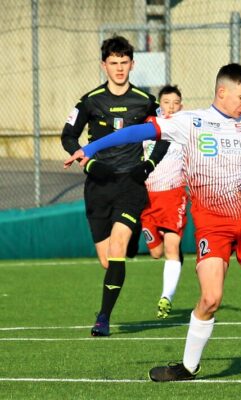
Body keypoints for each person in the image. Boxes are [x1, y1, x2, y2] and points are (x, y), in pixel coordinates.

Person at [64, 63, 241, 381]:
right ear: (222, 92)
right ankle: (187, 367)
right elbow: (137, 131)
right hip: (213, 226)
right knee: (210, 299)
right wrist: (89, 148)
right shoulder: (190, 121)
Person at [60, 35, 169, 337]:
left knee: (118, 247)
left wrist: (147, 166)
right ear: (103, 65)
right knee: (108, 260)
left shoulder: (146, 101)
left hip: (130, 183)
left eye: (124, 63)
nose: (119, 68)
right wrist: (89, 163)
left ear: (132, 64)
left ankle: (103, 318)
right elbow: (68, 136)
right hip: (98, 184)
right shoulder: (90, 100)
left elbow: (167, 135)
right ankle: (134, 239)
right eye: (113, 63)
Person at [140, 84, 188, 318]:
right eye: (166, 102)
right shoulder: (147, 125)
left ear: (181, 106)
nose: (170, 107)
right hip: (147, 199)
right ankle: (176, 258)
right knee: (156, 252)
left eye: (175, 103)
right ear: (159, 104)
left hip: (173, 195)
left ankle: (166, 298)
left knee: (171, 248)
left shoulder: (185, 129)